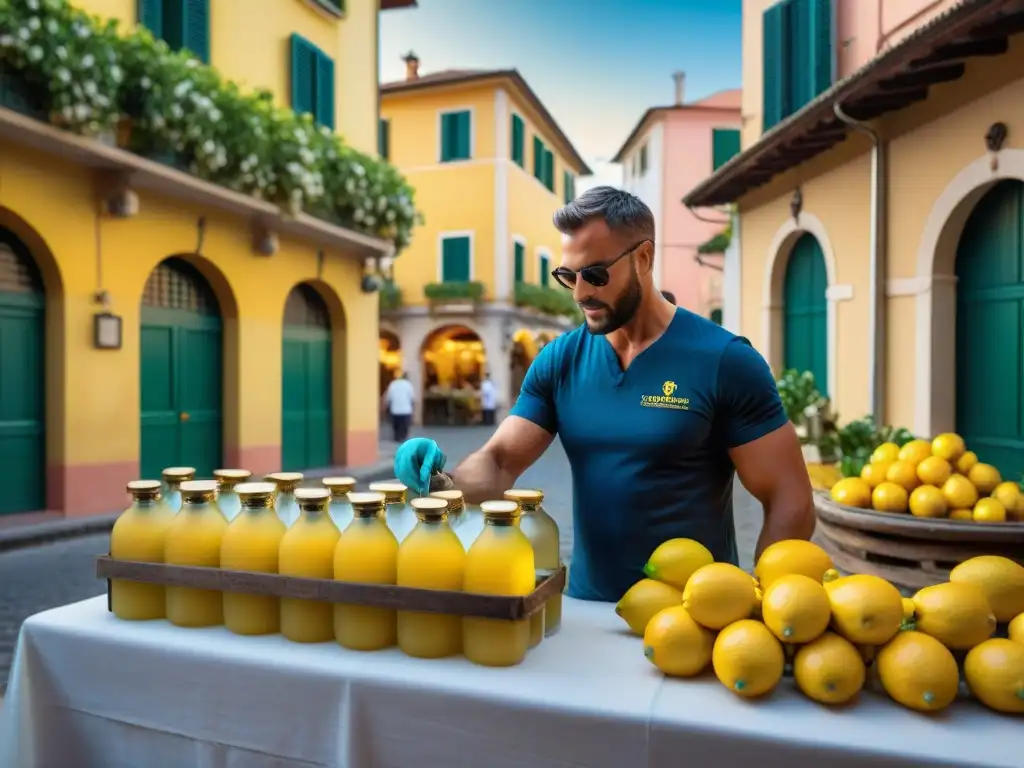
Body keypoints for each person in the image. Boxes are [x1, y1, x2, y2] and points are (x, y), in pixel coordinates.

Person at [394, 186, 814, 603]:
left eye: (595, 274)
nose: (580, 293)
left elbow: (789, 500)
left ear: (644, 257)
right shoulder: (560, 360)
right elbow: (500, 461)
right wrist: (440, 481)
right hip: (585, 608)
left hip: (695, 621)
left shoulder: (725, 360)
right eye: (568, 276)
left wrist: (764, 601)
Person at [384, 372, 415, 443]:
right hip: (406, 410)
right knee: (404, 426)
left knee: (396, 426)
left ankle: (396, 437)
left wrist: (387, 408)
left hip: (395, 410)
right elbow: (412, 398)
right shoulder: (409, 385)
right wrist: (413, 409)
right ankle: (403, 437)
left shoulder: (392, 384)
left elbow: (389, 398)